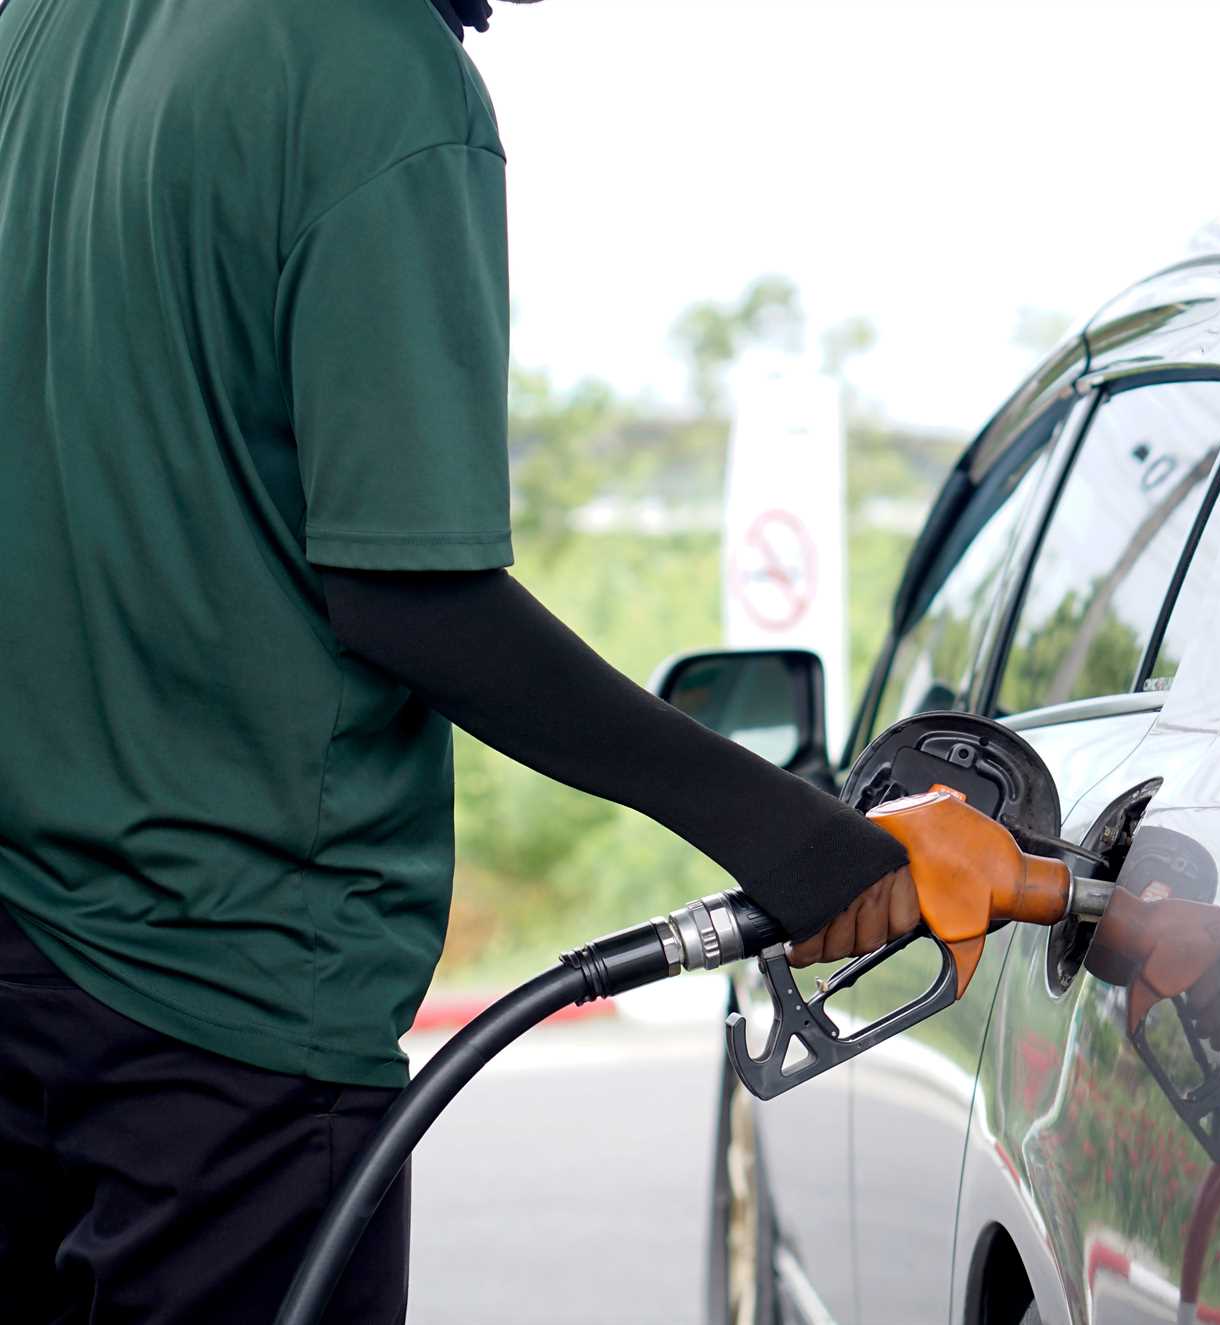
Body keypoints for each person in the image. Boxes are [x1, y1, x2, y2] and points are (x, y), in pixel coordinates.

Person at [0, 0, 916, 1319]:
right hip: (228, 1006)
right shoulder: (374, 72)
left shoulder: (54, 26)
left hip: (28, 947)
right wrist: (791, 835)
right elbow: (410, 598)